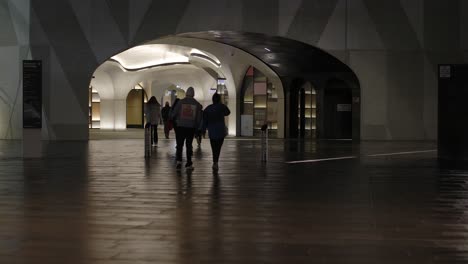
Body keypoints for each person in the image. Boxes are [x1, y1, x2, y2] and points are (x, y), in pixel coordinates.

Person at [170, 87, 203, 170]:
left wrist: (176, 120)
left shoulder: (181, 102)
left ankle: (179, 161)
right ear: (193, 94)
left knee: (180, 144)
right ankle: (188, 163)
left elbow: (174, 114)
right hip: (191, 127)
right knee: (189, 145)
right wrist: (197, 126)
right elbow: (199, 118)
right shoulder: (197, 104)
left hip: (181, 126)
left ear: (186, 93)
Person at [202, 93, 231, 170]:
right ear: (219, 99)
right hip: (220, 130)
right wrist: (222, 105)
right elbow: (228, 112)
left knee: (213, 147)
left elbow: (204, 119)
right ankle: (216, 162)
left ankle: (215, 162)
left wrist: (203, 129)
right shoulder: (221, 107)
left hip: (212, 131)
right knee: (218, 147)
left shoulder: (208, 108)